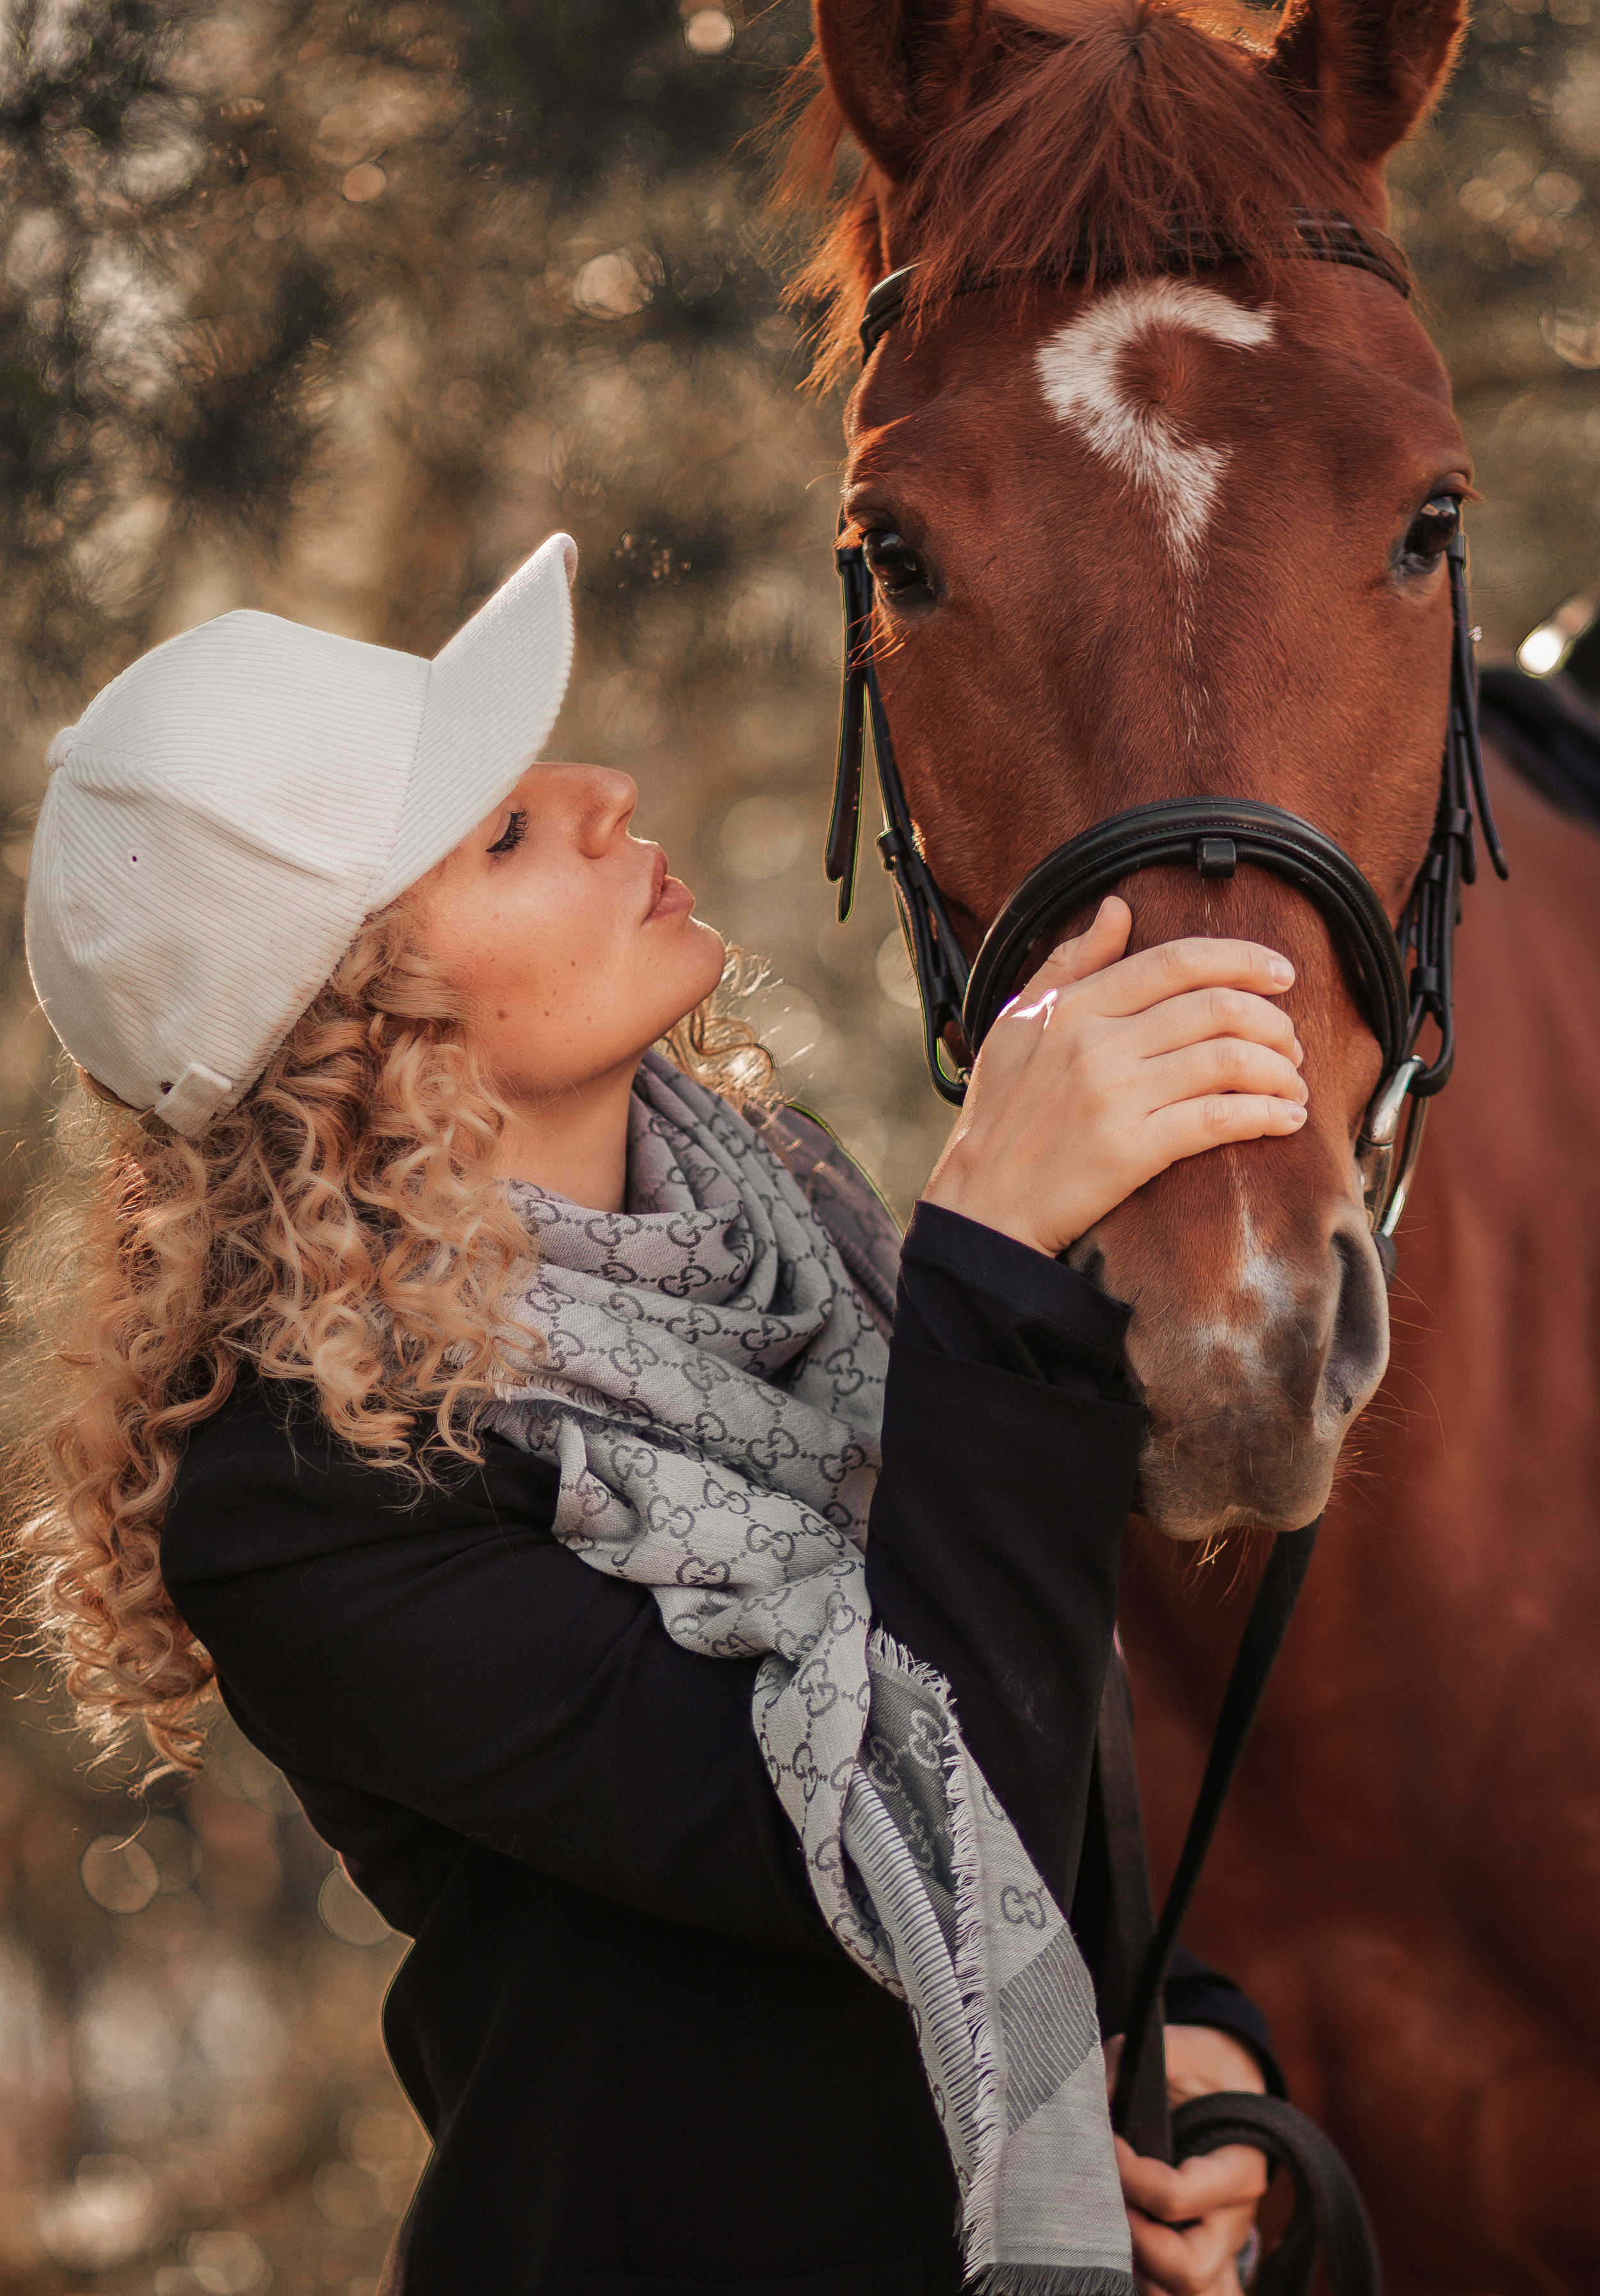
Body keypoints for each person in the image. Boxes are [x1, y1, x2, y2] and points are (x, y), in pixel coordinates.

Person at [15, 533, 1310, 2296]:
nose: (602, 790)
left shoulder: (791, 1238)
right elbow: (864, 1840)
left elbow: (1049, 1730)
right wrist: (996, 1256)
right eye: (502, 832)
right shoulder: (306, 1491)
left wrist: (1203, 2054)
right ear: (355, 1027)